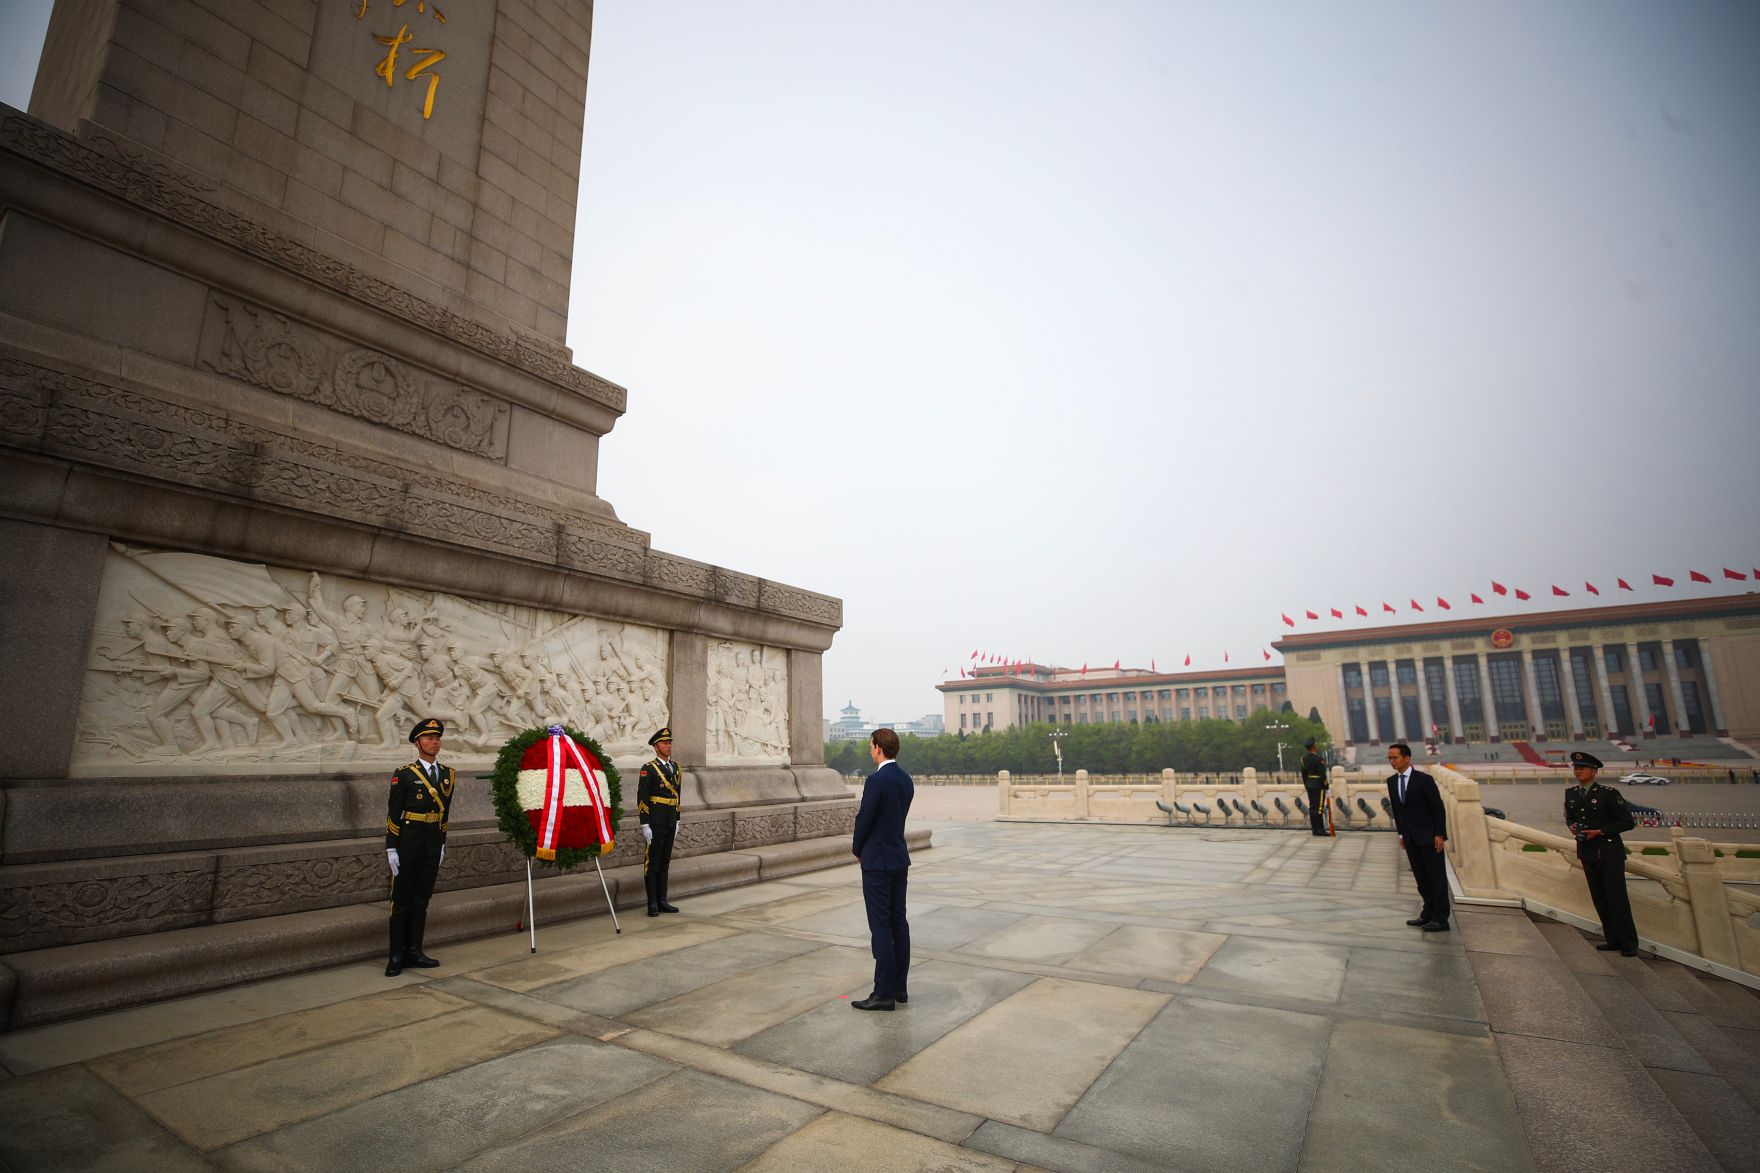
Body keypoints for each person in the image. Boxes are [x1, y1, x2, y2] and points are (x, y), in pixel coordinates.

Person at [385, 717, 454, 976]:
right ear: (417, 742)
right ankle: (395, 956)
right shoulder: (404, 774)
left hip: (432, 843)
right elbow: (393, 814)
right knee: (400, 901)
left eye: (437, 738)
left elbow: (445, 813)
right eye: (428, 738)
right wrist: (392, 847)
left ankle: (415, 951)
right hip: (408, 842)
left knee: (421, 899)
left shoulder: (448, 775)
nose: (434, 742)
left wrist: (442, 843)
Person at [852, 727, 914, 1011]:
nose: (870, 750)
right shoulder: (905, 779)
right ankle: (899, 988)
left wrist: (857, 848)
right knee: (898, 924)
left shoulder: (877, 781)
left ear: (878, 747)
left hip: (877, 861)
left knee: (880, 928)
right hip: (898, 858)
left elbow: (865, 819)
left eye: (870, 745)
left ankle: (883, 993)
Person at [1565, 751, 1640, 956]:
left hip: (1609, 852)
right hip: (1587, 852)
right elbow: (1569, 817)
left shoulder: (1608, 793)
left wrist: (1600, 831)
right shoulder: (1571, 793)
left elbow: (1627, 822)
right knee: (1600, 899)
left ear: (1594, 771)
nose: (1578, 770)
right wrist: (1572, 826)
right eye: (1576, 768)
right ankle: (1613, 939)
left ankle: (1629, 943)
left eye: (1583, 767)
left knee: (1617, 899)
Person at [1386, 741, 1449, 932]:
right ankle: (1428, 913)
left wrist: (1440, 834)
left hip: (1429, 837)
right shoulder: (1392, 782)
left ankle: (1441, 919)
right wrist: (1401, 835)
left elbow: (1437, 808)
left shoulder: (1423, 780)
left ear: (1407, 758)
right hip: (1410, 838)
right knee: (1421, 879)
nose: (1392, 761)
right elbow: (1398, 812)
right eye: (1389, 758)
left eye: (1395, 757)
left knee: (1436, 878)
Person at [637, 726, 681, 916]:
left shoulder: (676, 768)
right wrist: (645, 824)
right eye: (665, 743)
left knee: (665, 862)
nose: (668, 745)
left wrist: (677, 819)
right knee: (652, 863)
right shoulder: (649, 769)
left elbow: (678, 795)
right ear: (656, 747)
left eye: (670, 742)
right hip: (655, 821)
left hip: (670, 819)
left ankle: (663, 900)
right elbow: (642, 797)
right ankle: (652, 903)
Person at [1298, 738, 1329, 836]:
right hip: (1318, 785)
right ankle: (1320, 829)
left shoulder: (1303, 759)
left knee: (1312, 808)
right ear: (1314, 747)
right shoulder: (1319, 759)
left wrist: (1306, 785)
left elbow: (1304, 775)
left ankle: (1315, 830)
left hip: (1309, 785)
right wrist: (1326, 786)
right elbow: (1322, 775)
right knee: (1319, 808)